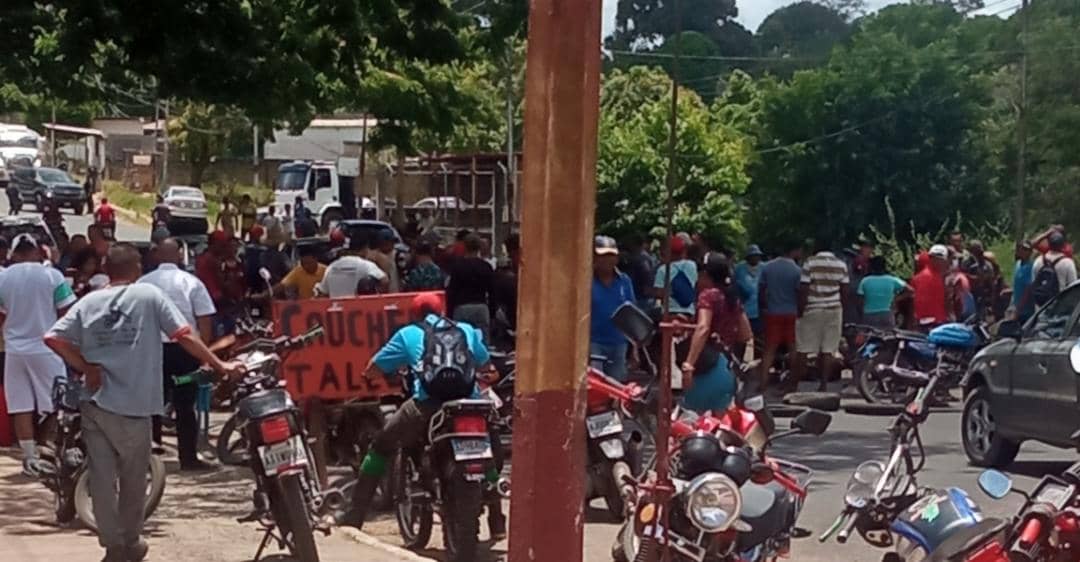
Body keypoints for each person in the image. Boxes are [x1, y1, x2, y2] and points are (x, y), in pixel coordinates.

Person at [45, 243, 241, 562]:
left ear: (108, 270)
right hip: (133, 405)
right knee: (134, 479)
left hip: (94, 404)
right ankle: (130, 542)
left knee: (101, 478)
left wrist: (86, 367)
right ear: (137, 270)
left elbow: (53, 337)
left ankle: (112, 545)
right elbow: (184, 335)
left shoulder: (89, 302)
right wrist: (220, 366)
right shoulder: (149, 296)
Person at [341, 292, 504, 536]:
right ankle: (497, 518)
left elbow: (374, 369)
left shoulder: (408, 334)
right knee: (486, 451)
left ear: (414, 314)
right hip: (470, 404)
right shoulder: (467, 330)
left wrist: (371, 376)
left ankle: (354, 517)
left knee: (381, 446)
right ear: (442, 311)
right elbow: (484, 364)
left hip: (427, 405)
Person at [0, 234, 76, 476]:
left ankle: (30, 457)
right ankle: (49, 451)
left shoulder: (3, 278)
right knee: (54, 403)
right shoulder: (52, 275)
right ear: (37, 251)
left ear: (13, 254)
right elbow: (68, 310)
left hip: (14, 350)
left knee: (20, 405)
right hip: (47, 348)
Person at [139, 238, 217, 471]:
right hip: (185, 349)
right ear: (179, 256)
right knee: (185, 405)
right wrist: (204, 353)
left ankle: (147, 458)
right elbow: (204, 318)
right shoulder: (191, 282)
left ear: (157, 256)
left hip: (152, 350)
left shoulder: (143, 283)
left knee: (150, 403)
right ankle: (188, 458)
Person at [680, 256, 743, 413]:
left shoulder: (707, 296)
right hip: (727, 369)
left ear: (707, 276)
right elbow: (745, 334)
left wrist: (689, 364)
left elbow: (703, 328)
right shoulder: (732, 298)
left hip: (708, 369)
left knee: (693, 424)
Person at [792, 240, 849, 392]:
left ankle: (794, 384)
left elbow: (804, 288)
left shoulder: (810, 263)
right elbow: (844, 290)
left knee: (803, 348)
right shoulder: (841, 265)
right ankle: (823, 384)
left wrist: (800, 310)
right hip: (834, 309)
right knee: (828, 349)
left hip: (813, 308)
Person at [590, 236, 636, 382]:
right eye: (603, 255)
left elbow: (632, 315)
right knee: (596, 386)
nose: (607, 260)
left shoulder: (624, 281)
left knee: (617, 387)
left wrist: (635, 349)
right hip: (594, 343)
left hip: (619, 343)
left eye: (611, 255)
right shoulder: (586, 280)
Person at [757, 241, 803, 388]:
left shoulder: (767, 267)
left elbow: (762, 290)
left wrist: (763, 307)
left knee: (769, 348)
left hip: (773, 312)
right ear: (794, 251)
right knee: (793, 348)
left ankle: (763, 382)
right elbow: (799, 292)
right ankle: (793, 381)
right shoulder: (797, 270)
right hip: (791, 312)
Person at [446, 234, 494, 340]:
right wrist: (492, 311)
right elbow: (492, 291)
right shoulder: (486, 267)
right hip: (481, 306)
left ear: (465, 247)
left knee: (461, 341)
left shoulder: (457, 266)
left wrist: (449, 312)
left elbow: (452, 291)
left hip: (461, 307)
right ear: (479, 247)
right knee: (482, 341)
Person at [856, 256, 912, 329]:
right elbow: (911, 291)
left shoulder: (865, 281)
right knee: (889, 337)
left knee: (868, 337)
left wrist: (861, 313)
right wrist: (896, 299)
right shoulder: (892, 280)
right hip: (887, 314)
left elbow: (859, 300)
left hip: (869, 314)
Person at [317, 242, 388, 298]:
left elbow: (323, 292)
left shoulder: (331, 267)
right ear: (364, 250)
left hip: (338, 312)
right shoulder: (366, 265)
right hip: (360, 310)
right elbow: (385, 280)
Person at [652, 235, 698, 318]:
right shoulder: (692, 265)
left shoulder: (663, 270)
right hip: (689, 312)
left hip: (669, 311)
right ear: (684, 251)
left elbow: (659, 294)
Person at [1031, 231, 1078, 307]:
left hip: (1040, 309)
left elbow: (1034, 284)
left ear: (1049, 244)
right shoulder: (1067, 263)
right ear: (1063, 245)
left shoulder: (1038, 261)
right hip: (1059, 310)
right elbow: (1073, 289)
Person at [911, 245, 950, 329]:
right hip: (933, 322)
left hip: (935, 320)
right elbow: (921, 301)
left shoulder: (937, 276)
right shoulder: (927, 276)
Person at [962, 240, 1001, 320]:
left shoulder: (987, 265)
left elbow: (992, 284)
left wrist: (991, 302)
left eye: (979, 251)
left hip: (983, 297)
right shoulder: (966, 263)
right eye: (975, 251)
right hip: (970, 296)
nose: (978, 254)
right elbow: (963, 277)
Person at [733, 244, 765, 338]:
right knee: (741, 339)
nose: (755, 258)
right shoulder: (739, 268)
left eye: (757, 255)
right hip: (744, 310)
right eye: (753, 255)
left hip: (759, 311)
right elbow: (734, 285)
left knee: (759, 340)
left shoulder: (764, 268)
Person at [1011, 241, 1036, 322]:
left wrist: (1018, 310)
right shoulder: (1018, 264)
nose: (1023, 251)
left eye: (1026, 249)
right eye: (1022, 249)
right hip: (1015, 305)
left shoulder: (1030, 267)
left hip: (1025, 310)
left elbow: (1027, 290)